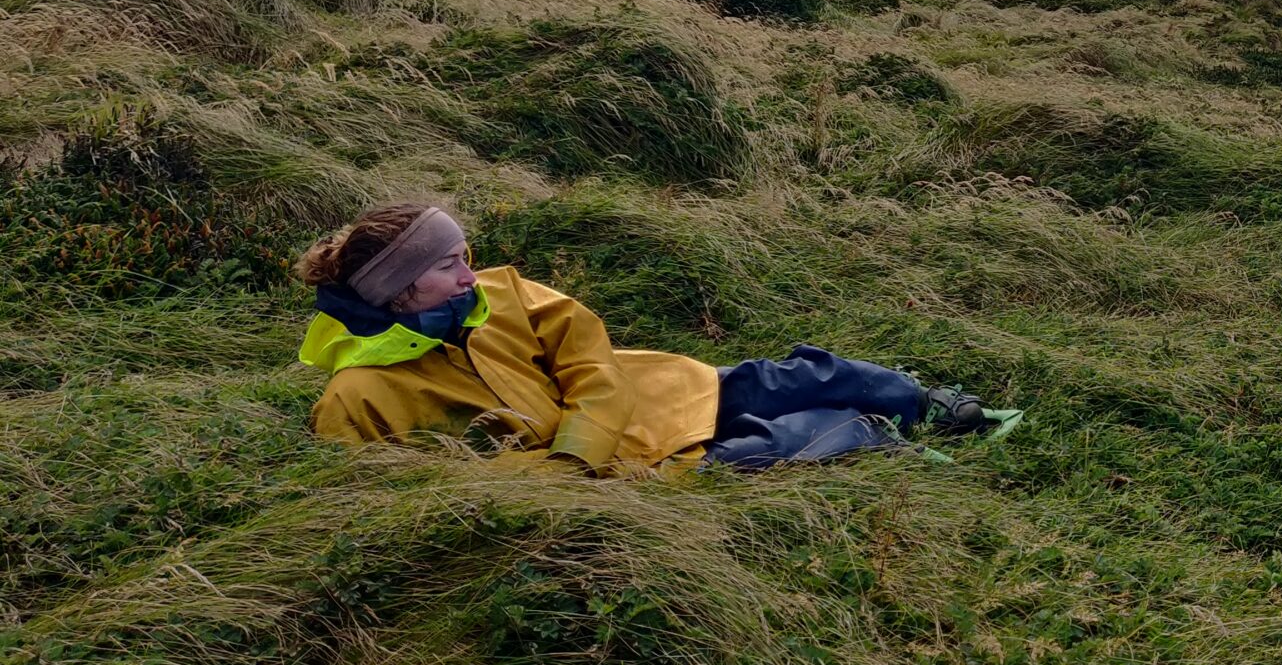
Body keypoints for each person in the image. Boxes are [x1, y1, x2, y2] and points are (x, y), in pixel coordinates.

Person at [296, 202, 1013, 472]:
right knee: (771, 447)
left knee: (782, 376)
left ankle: (925, 403)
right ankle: (877, 439)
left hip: (634, 398)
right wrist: (569, 466)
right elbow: (402, 491)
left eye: (465, 255)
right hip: (606, 474)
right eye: (450, 264)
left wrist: (588, 425)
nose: (470, 273)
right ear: (400, 291)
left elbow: (582, 349)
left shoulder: (493, 295)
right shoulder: (359, 395)